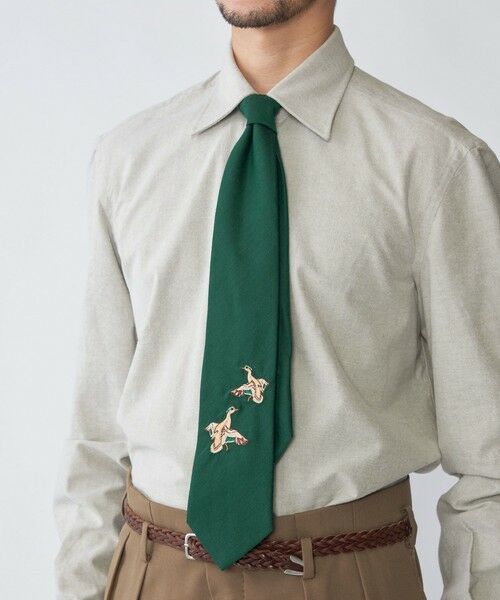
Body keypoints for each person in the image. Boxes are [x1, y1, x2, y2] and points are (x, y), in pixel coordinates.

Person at [53, 1, 500, 599]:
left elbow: (491, 455)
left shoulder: (438, 165)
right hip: (151, 571)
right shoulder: (129, 159)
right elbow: (98, 429)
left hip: (349, 573)